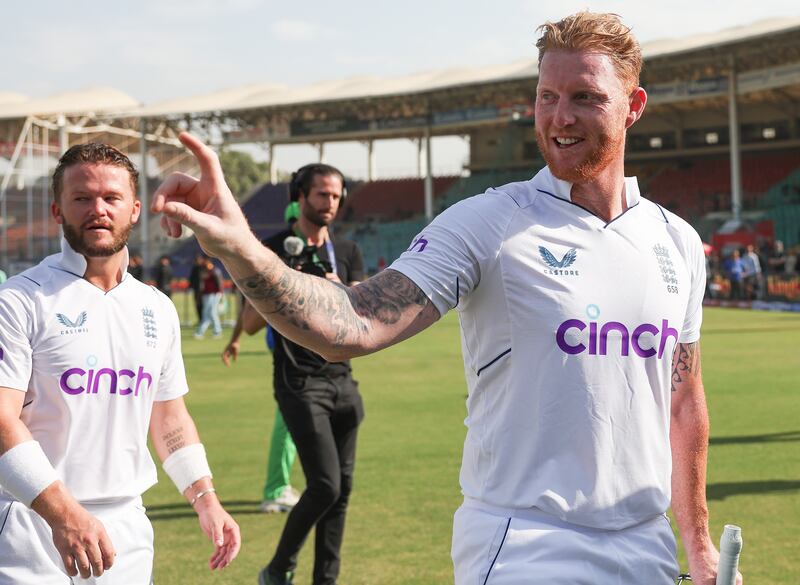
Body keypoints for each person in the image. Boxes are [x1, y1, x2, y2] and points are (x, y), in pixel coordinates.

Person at [152, 12, 740, 585]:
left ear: (634, 106)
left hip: (647, 545)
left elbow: (683, 398)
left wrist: (698, 542)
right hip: (526, 543)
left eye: (585, 97)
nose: (559, 117)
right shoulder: (488, 223)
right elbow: (350, 324)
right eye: (546, 96)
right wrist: (241, 249)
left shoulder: (677, 241)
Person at [0, 143, 240, 584]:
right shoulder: (19, 300)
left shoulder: (158, 308)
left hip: (126, 530)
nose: (98, 209)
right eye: (81, 198)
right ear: (57, 210)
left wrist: (205, 498)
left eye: (111, 198)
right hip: (33, 526)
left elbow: (169, 415)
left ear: (134, 210)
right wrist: (64, 514)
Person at [231, 163, 365, 585]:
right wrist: (287, 283)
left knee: (341, 493)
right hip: (299, 383)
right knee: (324, 485)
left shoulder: (347, 251)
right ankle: (278, 568)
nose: (331, 203)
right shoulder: (273, 250)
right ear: (300, 197)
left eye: (337, 196)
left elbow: (362, 316)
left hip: (343, 381)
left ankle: (325, 579)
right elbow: (251, 324)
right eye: (322, 194)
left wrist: (337, 290)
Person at [221, 202, 305, 515]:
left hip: (309, 347)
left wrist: (235, 341)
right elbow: (251, 304)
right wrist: (237, 339)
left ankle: (291, 484)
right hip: (286, 347)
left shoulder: (323, 246)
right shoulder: (275, 250)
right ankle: (275, 489)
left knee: (298, 419)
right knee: (289, 419)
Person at [194, 258, 224, 339]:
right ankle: (214, 331)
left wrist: (220, 293)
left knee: (211, 313)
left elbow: (219, 283)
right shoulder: (204, 271)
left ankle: (213, 331)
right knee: (209, 313)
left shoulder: (214, 271)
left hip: (214, 294)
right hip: (207, 294)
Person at [188, 254, 206, 324]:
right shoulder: (195, 268)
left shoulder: (204, 267)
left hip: (204, 290)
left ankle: (204, 319)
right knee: (198, 305)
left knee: (204, 305)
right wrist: (190, 287)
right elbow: (192, 279)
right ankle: (200, 319)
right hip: (197, 289)